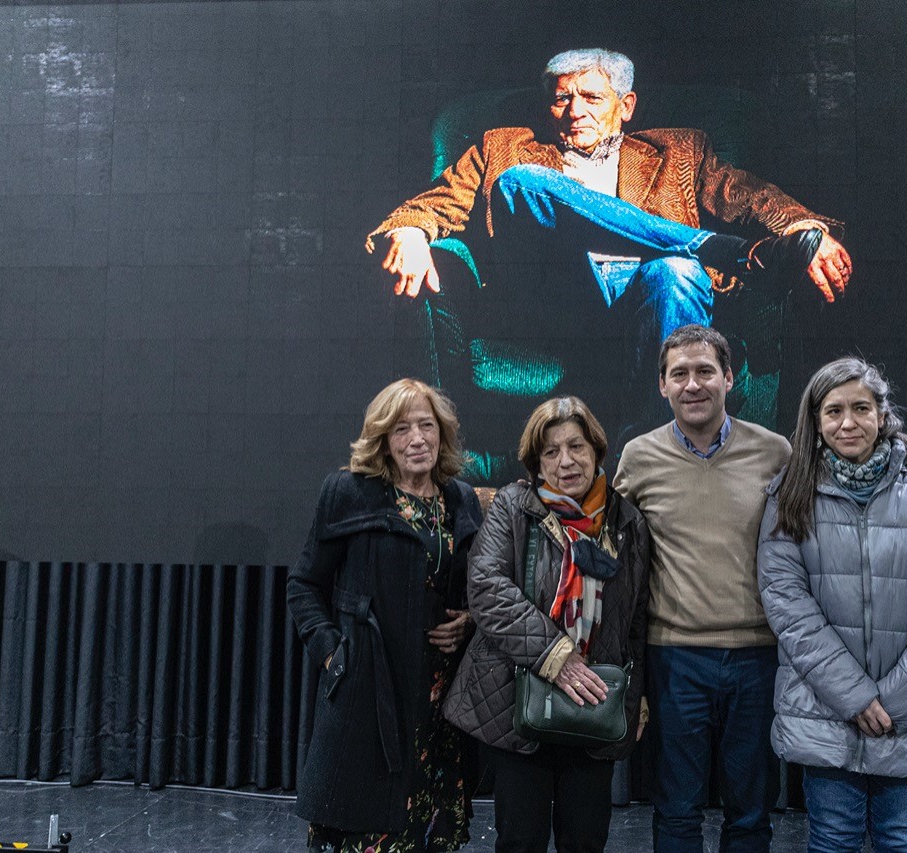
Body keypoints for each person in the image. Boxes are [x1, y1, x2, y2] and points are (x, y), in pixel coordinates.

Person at [365, 48, 852, 450]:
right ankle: (726, 250)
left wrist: (804, 227)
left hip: (642, 296)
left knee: (678, 273)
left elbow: (745, 193)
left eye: (592, 98)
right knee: (523, 182)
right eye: (562, 99)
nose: (575, 111)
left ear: (626, 105)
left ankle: (652, 453)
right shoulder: (505, 148)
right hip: (555, 295)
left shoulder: (678, 152)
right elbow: (434, 203)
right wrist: (410, 231)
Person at [757, 357, 907, 853]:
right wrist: (855, 697)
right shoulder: (788, 495)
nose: (848, 422)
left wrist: (894, 703)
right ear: (815, 423)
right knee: (833, 839)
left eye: (861, 408)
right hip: (826, 711)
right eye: (833, 411)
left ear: (882, 414)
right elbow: (787, 604)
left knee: (904, 840)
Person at [443, 396, 651, 853]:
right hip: (517, 705)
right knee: (521, 839)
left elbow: (635, 620)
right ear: (535, 463)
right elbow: (487, 588)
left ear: (597, 450)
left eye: (576, 446)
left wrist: (635, 698)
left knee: (585, 840)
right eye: (550, 452)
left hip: (594, 704)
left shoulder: (626, 522)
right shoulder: (514, 507)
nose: (565, 461)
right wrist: (556, 656)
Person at [613, 324, 790, 853]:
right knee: (677, 810)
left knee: (751, 813)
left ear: (729, 378)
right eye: (680, 374)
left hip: (758, 657)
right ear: (662, 385)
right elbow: (613, 554)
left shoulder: (775, 452)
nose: (694, 384)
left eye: (705, 371)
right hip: (674, 659)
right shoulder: (638, 457)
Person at [288, 379, 484, 852]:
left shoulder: (461, 500)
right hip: (369, 696)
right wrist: (334, 653)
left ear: (442, 433)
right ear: (382, 439)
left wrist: (471, 621)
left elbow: (478, 587)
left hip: (440, 704)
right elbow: (304, 585)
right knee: (367, 830)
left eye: (426, 426)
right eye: (401, 429)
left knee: (431, 836)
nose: (417, 439)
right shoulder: (349, 492)